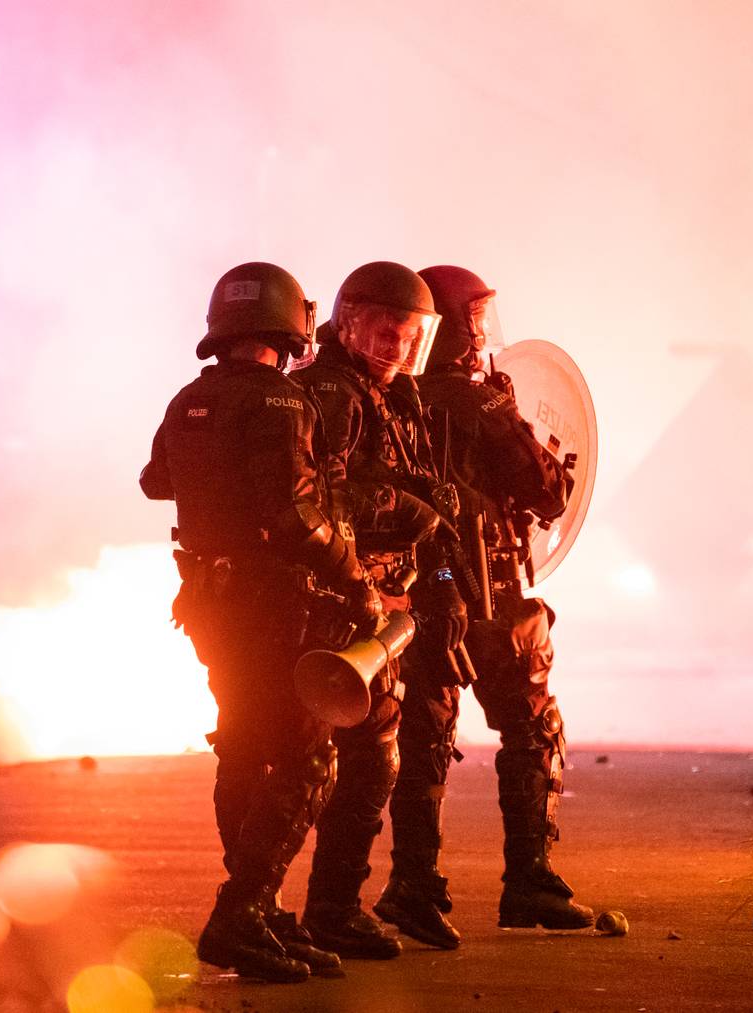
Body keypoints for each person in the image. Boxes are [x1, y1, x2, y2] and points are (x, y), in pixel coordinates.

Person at [140, 262, 379, 984]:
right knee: (309, 757)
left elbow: (156, 481)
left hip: (209, 603)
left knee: (243, 748)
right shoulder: (282, 399)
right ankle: (240, 911)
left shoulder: (189, 398)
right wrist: (358, 579)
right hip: (275, 603)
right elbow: (297, 515)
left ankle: (264, 909)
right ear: (289, 327)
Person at [372, 265, 594, 950]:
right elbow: (548, 489)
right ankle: (529, 878)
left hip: (421, 597)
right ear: (459, 327)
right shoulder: (479, 404)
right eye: (478, 319)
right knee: (532, 728)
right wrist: (509, 414)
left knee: (423, 742)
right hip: (489, 594)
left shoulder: (393, 398)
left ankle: (414, 885)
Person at [290, 262, 464, 959]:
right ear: (350, 320)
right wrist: (408, 512)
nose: (397, 343)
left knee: (371, 758)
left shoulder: (401, 398)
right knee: (310, 760)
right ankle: (300, 909)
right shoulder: (330, 391)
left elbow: (421, 505)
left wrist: (437, 578)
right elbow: (319, 498)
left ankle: (329, 907)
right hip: (335, 599)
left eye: (410, 333)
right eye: (385, 328)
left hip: (383, 600)